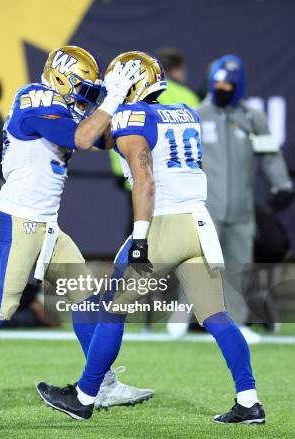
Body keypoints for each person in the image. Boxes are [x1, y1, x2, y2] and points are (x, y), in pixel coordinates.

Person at [36, 51, 266, 425]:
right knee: (217, 315)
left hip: (163, 224)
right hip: (199, 223)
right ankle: (248, 400)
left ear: (131, 84)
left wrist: (141, 236)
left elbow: (145, 179)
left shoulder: (131, 115)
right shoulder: (184, 112)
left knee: (109, 307)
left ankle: (84, 396)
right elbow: (115, 140)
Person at [0, 46, 153, 421]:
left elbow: (103, 138)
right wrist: (110, 101)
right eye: (78, 86)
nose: (83, 95)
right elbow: (81, 138)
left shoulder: (63, 109)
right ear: (60, 78)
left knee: (84, 299)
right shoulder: (35, 97)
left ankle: (103, 384)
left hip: (47, 224)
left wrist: (126, 108)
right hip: (17, 219)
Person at [197, 55, 293, 332]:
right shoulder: (196, 116)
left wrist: (282, 184)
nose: (221, 89)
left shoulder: (253, 118)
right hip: (207, 206)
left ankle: (236, 322)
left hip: (241, 208)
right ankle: (189, 316)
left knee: (238, 268)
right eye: (218, 84)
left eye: (227, 85)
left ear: (238, 87)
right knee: (202, 264)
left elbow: (270, 155)